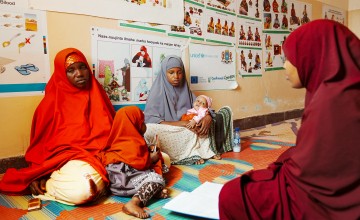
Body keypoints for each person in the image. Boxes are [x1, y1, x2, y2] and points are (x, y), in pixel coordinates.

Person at [219, 20, 360, 219]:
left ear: (313, 56)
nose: (285, 66)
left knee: (232, 194)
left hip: (322, 204)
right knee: (284, 158)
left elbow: (312, 180)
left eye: (289, 58)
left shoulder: (332, 101)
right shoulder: (338, 89)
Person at [0, 48, 115, 205]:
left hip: (97, 160)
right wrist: (41, 173)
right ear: (62, 73)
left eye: (83, 67)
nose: (80, 74)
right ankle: (50, 184)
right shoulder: (50, 103)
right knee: (84, 190)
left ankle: (56, 184)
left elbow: (114, 136)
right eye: (71, 70)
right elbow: (39, 148)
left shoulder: (98, 95)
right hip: (64, 162)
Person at [144, 55, 233, 165]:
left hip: (188, 128)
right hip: (171, 130)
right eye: (171, 72)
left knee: (214, 119)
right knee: (149, 130)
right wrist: (182, 123)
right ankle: (194, 152)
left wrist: (208, 116)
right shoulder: (156, 92)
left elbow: (201, 107)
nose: (176, 76)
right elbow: (150, 120)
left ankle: (197, 152)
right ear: (164, 73)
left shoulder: (185, 89)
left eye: (179, 72)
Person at [96, 106, 168, 219]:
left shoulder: (119, 138)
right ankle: (134, 202)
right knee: (158, 179)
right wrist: (152, 158)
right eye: (142, 121)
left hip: (116, 184)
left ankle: (150, 193)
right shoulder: (133, 143)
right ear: (133, 123)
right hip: (125, 182)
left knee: (156, 180)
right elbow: (142, 164)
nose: (144, 125)